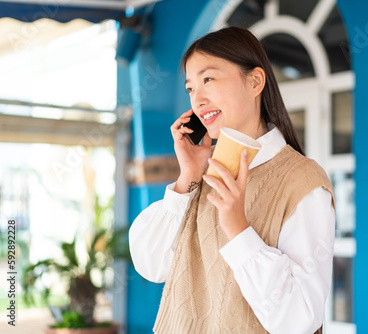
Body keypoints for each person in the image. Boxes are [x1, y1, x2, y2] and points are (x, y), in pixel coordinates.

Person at [129, 26, 336, 334]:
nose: (197, 99)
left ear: (254, 81)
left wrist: (238, 228)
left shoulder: (302, 181)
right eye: (190, 89)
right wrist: (187, 177)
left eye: (208, 80)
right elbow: (151, 264)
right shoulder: (202, 176)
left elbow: (299, 318)